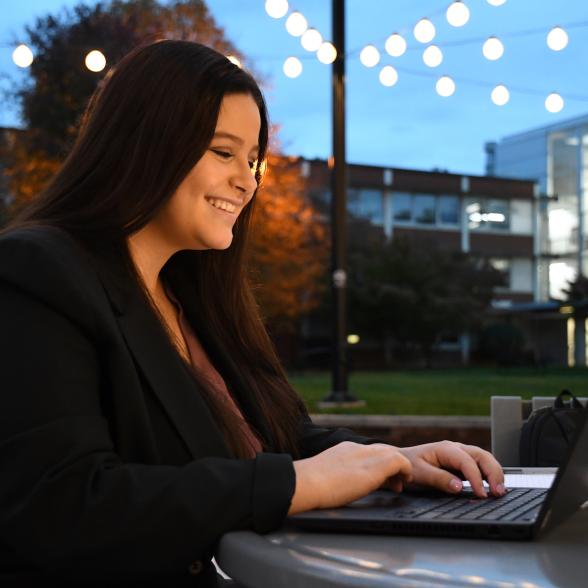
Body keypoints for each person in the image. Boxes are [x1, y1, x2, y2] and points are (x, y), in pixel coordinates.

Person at [0, 40, 505, 587]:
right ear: (145, 143)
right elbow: (60, 507)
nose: (248, 181)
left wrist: (394, 461)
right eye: (223, 152)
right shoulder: (39, 271)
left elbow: (276, 442)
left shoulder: (194, 295)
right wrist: (293, 485)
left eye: (252, 159)